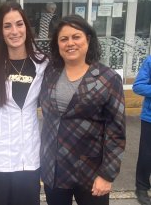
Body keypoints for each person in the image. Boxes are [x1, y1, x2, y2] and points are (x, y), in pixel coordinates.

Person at [39, 14, 126, 205]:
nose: (70, 43)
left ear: (88, 38)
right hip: (55, 170)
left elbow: (116, 131)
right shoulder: (50, 73)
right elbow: (49, 117)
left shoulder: (108, 78)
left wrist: (108, 174)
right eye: (64, 38)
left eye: (76, 36)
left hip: (91, 172)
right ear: (57, 44)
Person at [0, 2, 48, 205]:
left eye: (19, 24)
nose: (14, 31)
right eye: (7, 26)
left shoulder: (43, 64)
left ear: (27, 28)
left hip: (29, 158)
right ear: (0, 32)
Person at [133, 55, 151, 205]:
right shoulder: (150, 60)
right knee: (147, 154)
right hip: (150, 117)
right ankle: (141, 187)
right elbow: (138, 86)